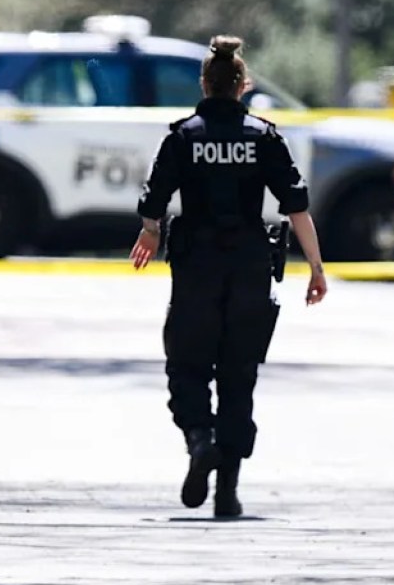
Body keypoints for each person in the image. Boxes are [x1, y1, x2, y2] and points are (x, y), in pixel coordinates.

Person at [130, 36, 328, 518]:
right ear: (243, 86)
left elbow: (155, 199)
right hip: (249, 269)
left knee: (187, 367)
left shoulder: (183, 136)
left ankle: (200, 439)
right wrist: (317, 270)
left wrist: (151, 233)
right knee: (239, 376)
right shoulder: (263, 137)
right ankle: (228, 492)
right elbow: (296, 206)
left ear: (205, 83)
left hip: (196, 267)